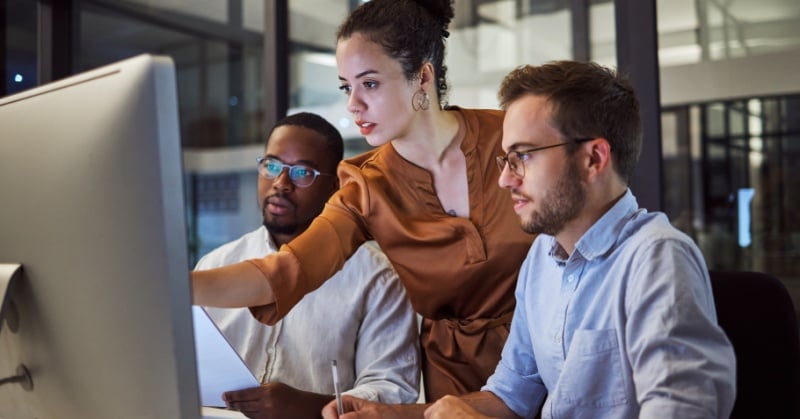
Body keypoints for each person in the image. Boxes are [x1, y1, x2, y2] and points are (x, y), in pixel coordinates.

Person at [192, 0, 535, 402]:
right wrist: (177, 286)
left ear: (422, 77)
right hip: (455, 384)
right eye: (346, 86)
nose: (353, 104)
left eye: (369, 83)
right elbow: (286, 271)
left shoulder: (510, 138)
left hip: (547, 354)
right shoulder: (364, 185)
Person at [419, 60, 738, 418]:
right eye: (505, 159)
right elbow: (511, 395)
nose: (505, 180)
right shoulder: (541, 257)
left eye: (522, 156)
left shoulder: (657, 259)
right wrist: (392, 414)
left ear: (593, 158)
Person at [197, 112, 420, 418]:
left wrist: (307, 406)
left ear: (336, 186)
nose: (281, 183)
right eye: (272, 166)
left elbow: (393, 390)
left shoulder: (378, 278)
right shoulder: (217, 264)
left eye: (302, 173)